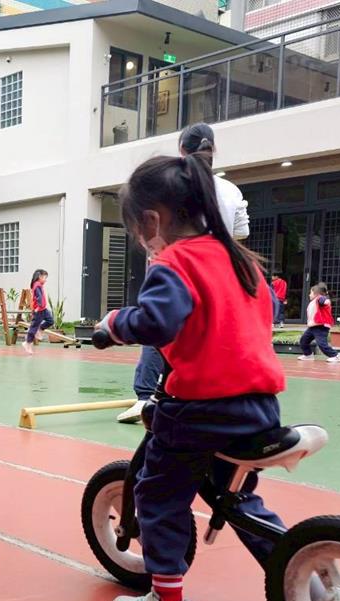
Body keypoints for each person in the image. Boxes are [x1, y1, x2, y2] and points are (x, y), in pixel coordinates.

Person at [97, 152, 287, 601]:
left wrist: (113, 324)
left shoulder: (175, 262)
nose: (144, 243)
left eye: (138, 233)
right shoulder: (242, 261)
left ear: (152, 222)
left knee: (158, 493)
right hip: (259, 406)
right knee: (238, 496)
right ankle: (295, 579)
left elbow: (156, 321)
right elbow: (267, 310)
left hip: (202, 407)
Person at [117, 122, 250, 425]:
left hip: (184, 271)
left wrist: (114, 324)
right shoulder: (230, 190)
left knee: (162, 328)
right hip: (223, 274)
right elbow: (241, 232)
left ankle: (147, 395)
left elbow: (152, 324)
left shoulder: (174, 188)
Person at [298, 283, 340, 363]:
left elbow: (324, 300)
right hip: (312, 327)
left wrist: (326, 301)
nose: (309, 295)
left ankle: (335, 356)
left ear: (316, 294)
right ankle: (308, 355)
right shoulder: (314, 302)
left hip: (321, 327)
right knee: (303, 341)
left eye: (310, 293)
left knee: (322, 344)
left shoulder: (319, 299)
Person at [23, 269, 53, 354]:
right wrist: (39, 307)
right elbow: (39, 297)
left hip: (43, 309)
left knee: (50, 321)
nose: (46, 280)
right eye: (45, 278)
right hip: (38, 310)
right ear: (40, 277)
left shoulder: (39, 285)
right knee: (33, 328)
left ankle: (40, 329)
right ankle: (27, 343)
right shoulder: (37, 285)